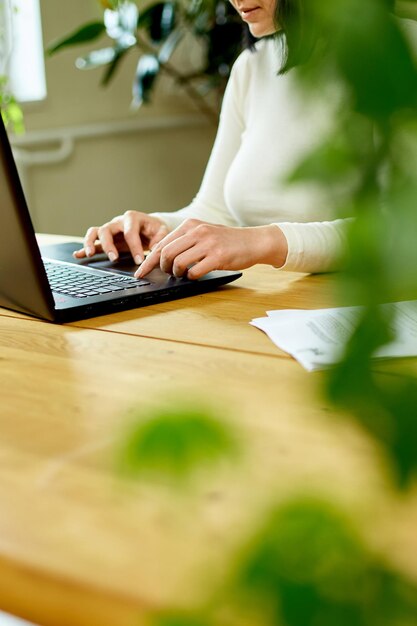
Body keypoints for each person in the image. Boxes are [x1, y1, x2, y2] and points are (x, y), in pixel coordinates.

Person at [74, 0, 349, 279]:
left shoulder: (388, 54)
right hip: (268, 298)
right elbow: (216, 208)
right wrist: (160, 227)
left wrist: (263, 242)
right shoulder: (252, 65)